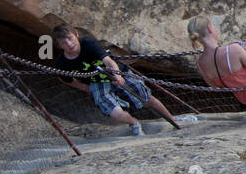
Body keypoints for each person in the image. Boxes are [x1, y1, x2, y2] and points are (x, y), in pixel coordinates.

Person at [51, 24, 180, 136]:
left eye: (70, 38)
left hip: (117, 71)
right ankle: (134, 123)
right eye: (63, 42)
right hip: (97, 82)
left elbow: (108, 60)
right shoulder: (62, 63)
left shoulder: (88, 43)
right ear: (59, 46)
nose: (69, 44)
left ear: (76, 34)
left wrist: (117, 75)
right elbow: (64, 78)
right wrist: (85, 88)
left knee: (146, 98)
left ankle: (172, 119)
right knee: (114, 113)